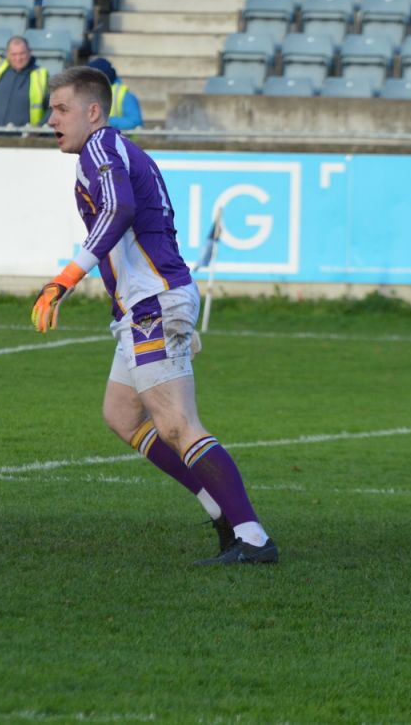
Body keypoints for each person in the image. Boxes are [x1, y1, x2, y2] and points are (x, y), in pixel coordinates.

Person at [30, 65, 278, 565]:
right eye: (50, 109)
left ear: (93, 111)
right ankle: (224, 518)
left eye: (61, 109)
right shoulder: (112, 150)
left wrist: (66, 277)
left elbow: (119, 209)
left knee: (178, 425)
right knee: (122, 415)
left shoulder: (101, 146)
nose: (50, 119)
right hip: (143, 305)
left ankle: (252, 538)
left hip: (154, 305)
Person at [0, 35, 49, 127]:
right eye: (14, 54)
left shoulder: (41, 75)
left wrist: (40, 126)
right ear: (7, 54)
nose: (18, 59)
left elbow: (54, 106)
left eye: (22, 53)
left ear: (30, 52)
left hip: (24, 138)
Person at [85, 57, 141, 130]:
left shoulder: (124, 95)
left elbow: (135, 122)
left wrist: (106, 122)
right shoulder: (89, 93)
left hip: (120, 140)